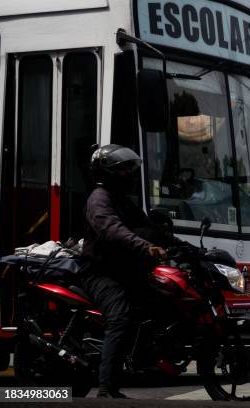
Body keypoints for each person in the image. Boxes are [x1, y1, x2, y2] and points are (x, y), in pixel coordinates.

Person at [81, 144, 167, 398]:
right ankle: (107, 388)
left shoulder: (124, 202)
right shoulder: (99, 199)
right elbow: (112, 230)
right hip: (99, 272)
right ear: (107, 173)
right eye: (124, 170)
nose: (129, 174)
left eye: (131, 169)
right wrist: (146, 247)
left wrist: (185, 248)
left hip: (123, 269)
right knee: (120, 318)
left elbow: (148, 227)